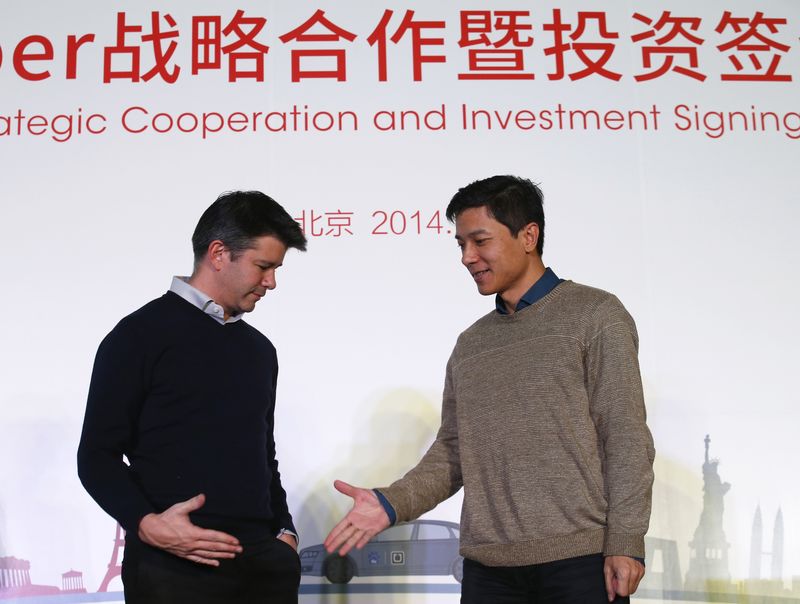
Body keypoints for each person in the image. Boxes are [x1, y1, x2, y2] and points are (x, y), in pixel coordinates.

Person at [324, 175, 655, 603]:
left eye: (480, 241)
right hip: (488, 572)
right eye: (460, 244)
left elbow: (625, 434)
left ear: (529, 236)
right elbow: (453, 452)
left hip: (580, 562)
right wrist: (391, 504)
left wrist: (626, 541)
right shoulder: (471, 344)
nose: (467, 257)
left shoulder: (595, 315)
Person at [78, 190, 307, 604]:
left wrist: (284, 534)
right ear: (219, 253)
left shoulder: (260, 350)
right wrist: (146, 524)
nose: (272, 282)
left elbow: (262, 454)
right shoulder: (137, 336)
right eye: (264, 266)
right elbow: (96, 456)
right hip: (172, 569)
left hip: (263, 568)